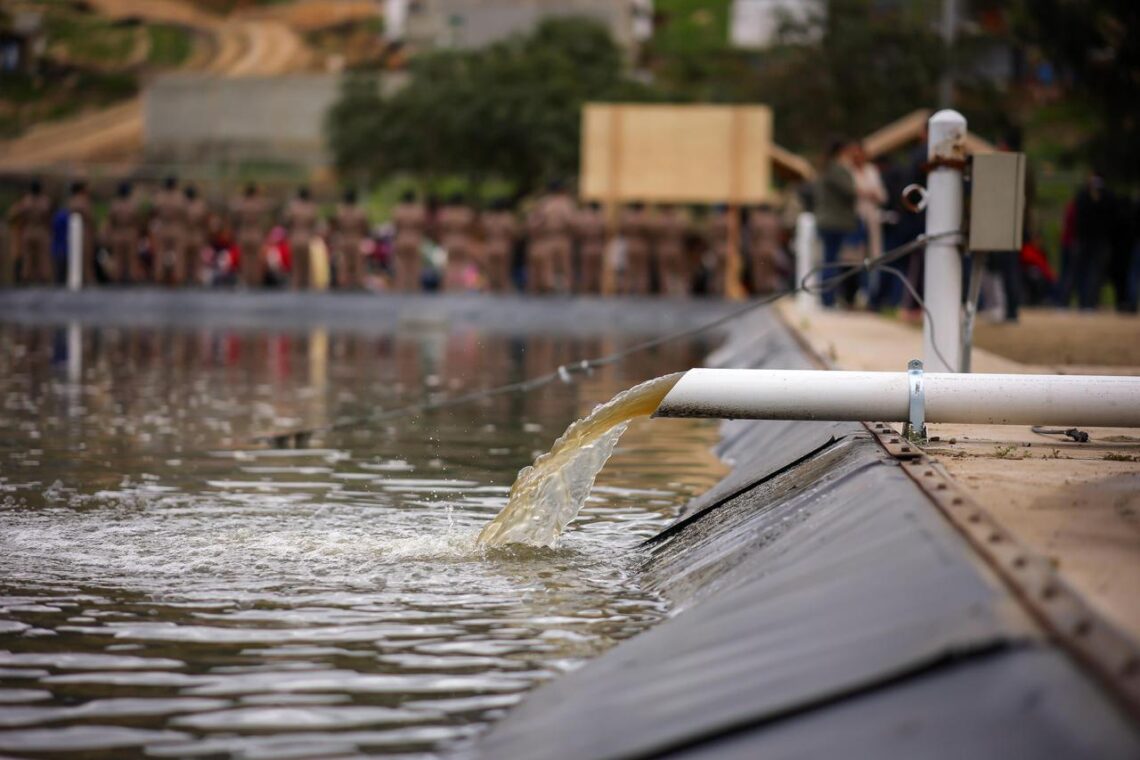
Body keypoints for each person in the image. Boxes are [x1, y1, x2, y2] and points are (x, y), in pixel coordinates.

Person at [815, 139, 858, 308]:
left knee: (829, 259)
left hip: (828, 221)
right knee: (832, 261)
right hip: (835, 222)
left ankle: (827, 297)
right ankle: (828, 298)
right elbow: (850, 191)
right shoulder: (836, 169)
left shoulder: (826, 168)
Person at [1073, 171, 1116, 310]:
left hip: (1100, 241)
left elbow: (1111, 216)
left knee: (1095, 274)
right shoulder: (1084, 196)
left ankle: (1091, 302)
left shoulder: (1107, 197)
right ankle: (1084, 302)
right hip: (1086, 240)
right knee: (1084, 272)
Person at [527, 182, 577, 294]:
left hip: (546, 238)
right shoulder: (565, 203)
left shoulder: (543, 203)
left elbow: (535, 223)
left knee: (548, 267)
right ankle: (568, 288)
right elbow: (571, 222)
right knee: (565, 266)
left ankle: (548, 288)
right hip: (562, 237)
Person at [6, 179, 53, 285]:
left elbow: (14, 214)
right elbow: (49, 216)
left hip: (28, 231)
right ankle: (44, 278)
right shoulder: (45, 201)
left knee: (28, 257)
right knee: (43, 256)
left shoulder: (26, 201)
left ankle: (26, 277)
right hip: (41, 230)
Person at [232, 183, 268, 287]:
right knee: (256, 259)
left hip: (244, 232)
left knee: (245, 259)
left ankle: (245, 280)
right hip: (256, 233)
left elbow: (234, 214)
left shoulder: (241, 204)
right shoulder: (258, 204)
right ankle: (256, 281)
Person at [332, 189, 370, 289]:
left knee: (344, 263)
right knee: (358, 263)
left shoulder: (340, 212)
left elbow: (335, 226)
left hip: (344, 239)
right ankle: (359, 283)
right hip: (356, 238)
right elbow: (365, 226)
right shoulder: (360, 212)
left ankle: (343, 282)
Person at [437, 193, 476, 291]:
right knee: (463, 264)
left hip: (450, 240)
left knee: (450, 265)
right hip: (462, 240)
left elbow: (442, 228)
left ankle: (448, 287)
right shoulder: (466, 212)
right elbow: (471, 227)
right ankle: (462, 287)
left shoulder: (446, 212)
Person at [153, 176, 188, 285]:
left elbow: (155, 210)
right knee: (179, 253)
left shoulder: (160, 197)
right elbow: (185, 213)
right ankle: (178, 276)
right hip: (176, 227)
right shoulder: (180, 197)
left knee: (160, 253)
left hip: (163, 227)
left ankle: (159, 276)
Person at [746, 203, 787, 295]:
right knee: (771, 271)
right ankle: (769, 289)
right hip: (772, 247)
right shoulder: (774, 218)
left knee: (760, 271)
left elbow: (753, 234)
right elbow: (779, 234)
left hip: (759, 247)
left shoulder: (756, 218)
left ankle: (761, 290)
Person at [391, 190, 427, 292]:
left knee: (401, 265)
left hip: (402, 237)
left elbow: (395, 225)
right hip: (414, 237)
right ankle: (414, 287)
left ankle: (400, 287)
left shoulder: (398, 210)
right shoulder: (418, 210)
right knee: (414, 265)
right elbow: (422, 225)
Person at [283, 187, 318, 290]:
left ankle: (296, 285)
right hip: (307, 237)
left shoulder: (293, 207)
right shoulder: (311, 207)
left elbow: (286, 221)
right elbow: (314, 222)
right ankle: (306, 284)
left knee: (296, 264)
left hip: (295, 236)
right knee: (306, 264)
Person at [106, 182, 141, 284]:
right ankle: (132, 277)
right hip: (131, 233)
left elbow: (110, 220)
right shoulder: (133, 205)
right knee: (132, 258)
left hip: (118, 233)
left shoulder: (114, 204)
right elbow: (137, 219)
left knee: (118, 258)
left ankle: (117, 277)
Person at [481, 198, 518, 293]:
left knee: (489, 274)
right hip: (503, 245)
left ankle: (489, 292)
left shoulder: (487, 217)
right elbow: (513, 232)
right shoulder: (507, 217)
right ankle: (504, 292)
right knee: (503, 273)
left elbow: (481, 231)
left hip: (489, 245)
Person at [572, 202, 606, 294]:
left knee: (586, 271)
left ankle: (586, 291)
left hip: (586, 246)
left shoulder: (583, 218)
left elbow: (577, 232)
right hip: (598, 246)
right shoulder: (602, 217)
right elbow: (606, 232)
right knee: (598, 271)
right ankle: (598, 291)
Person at [656, 204, 690, 297]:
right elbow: (685, 233)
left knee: (664, 273)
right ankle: (684, 292)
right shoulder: (680, 220)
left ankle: (664, 293)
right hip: (676, 247)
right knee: (681, 273)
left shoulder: (660, 220)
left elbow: (653, 233)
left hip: (664, 248)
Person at [619, 202, 652, 295]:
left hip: (630, 245)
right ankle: (642, 292)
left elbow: (621, 230)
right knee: (642, 272)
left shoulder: (627, 218)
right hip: (641, 245)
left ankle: (626, 292)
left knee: (628, 271)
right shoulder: (644, 218)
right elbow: (651, 231)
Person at [68, 181, 97, 285]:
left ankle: (78, 280)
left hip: (75, 232)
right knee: (86, 257)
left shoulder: (71, 201)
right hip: (85, 232)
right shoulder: (83, 201)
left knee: (77, 258)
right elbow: (91, 217)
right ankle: (88, 280)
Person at [184, 185, 210, 287]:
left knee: (184, 259)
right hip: (197, 235)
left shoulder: (182, 205)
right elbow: (205, 221)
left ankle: (183, 277)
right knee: (197, 260)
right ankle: (196, 279)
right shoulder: (200, 206)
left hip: (185, 234)